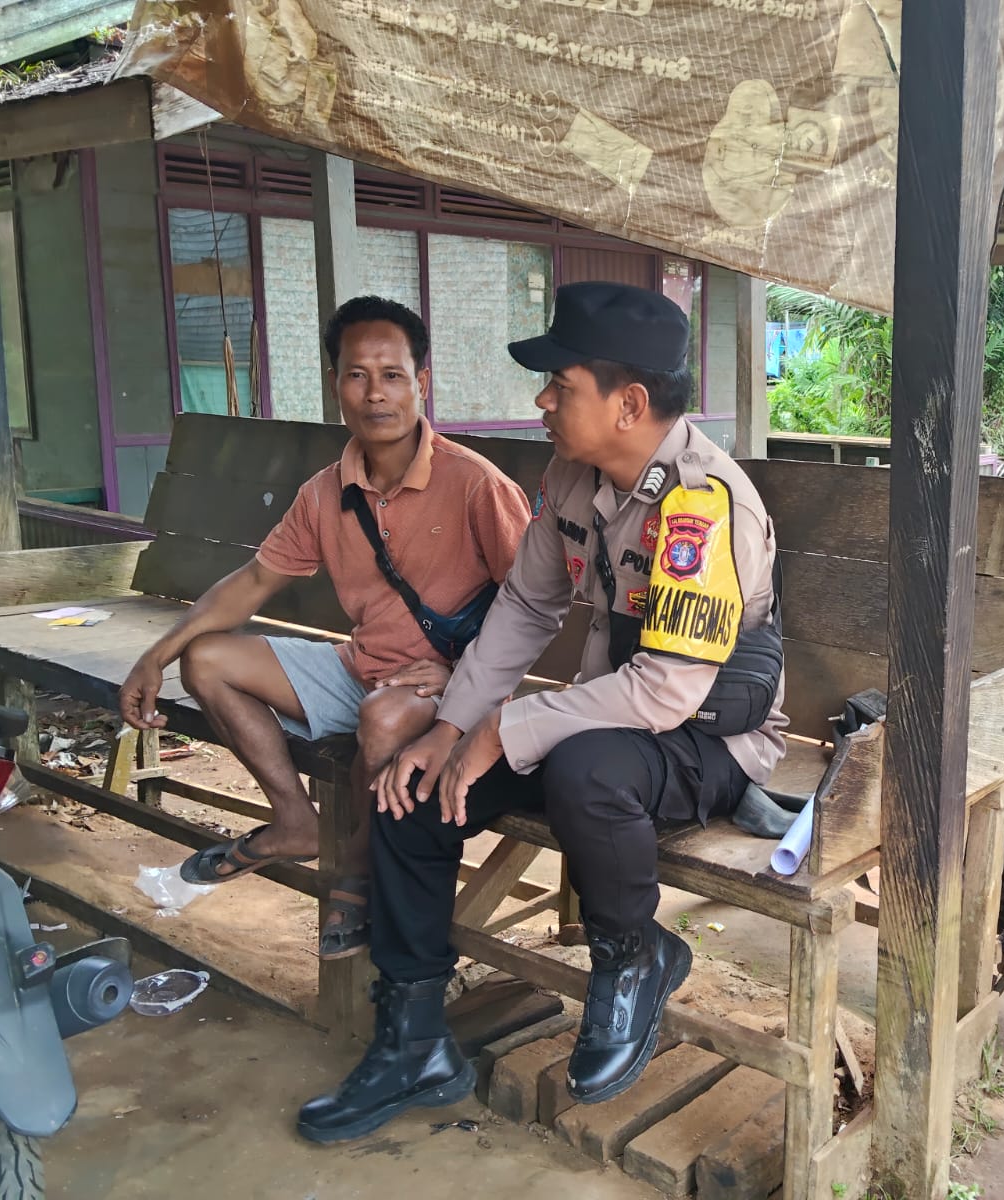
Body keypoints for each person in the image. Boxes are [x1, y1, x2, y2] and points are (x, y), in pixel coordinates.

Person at [296, 282, 787, 1145]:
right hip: (603, 717)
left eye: (560, 385)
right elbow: (525, 605)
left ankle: (634, 954)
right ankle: (413, 1040)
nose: (542, 402)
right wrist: (451, 729)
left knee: (584, 769)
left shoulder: (701, 505)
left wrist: (502, 729)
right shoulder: (572, 475)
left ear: (628, 404)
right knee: (412, 787)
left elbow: (667, 692)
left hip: (706, 737)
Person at [117, 295, 529, 960]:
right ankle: (293, 820)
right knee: (208, 660)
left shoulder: (477, 486)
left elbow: (534, 607)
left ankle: (358, 870)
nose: (375, 394)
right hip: (359, 670)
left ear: (422, 383)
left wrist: (461, 672)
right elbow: (252, 583)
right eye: (357, 375)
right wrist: (157, 655)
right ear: (336, 384)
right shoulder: (324, 492)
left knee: (383, 719)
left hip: (453, 693)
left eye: (392, 375)